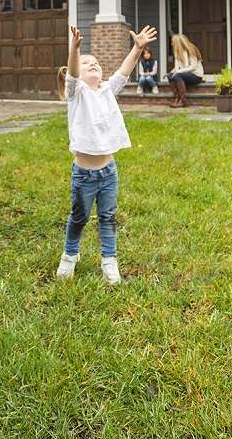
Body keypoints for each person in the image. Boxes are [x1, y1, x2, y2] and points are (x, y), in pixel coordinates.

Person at [54, 23, 158, 284]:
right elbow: (74, 74)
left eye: (97, 63)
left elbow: (124, 70)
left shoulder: (107, 91)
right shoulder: (76, 93)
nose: (93, 65)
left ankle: (109, 262)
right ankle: (70, 256)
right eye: (86, 62)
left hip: (109, 172)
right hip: (83, 175)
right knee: (78, 217)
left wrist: (137, 48)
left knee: (108, 218)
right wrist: (75, 50)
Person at [167, 33, 204, 108]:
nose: (171, 44)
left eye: (173, 42)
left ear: (178, 43)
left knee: (177, 75)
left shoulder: (191, 50)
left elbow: (193, 67)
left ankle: (183, 101)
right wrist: (171, 73)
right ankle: (177, 98)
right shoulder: (177, 52)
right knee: (170, 76)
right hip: (185, 74)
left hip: (196, 75)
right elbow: (177, 68)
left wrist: (178, 72)